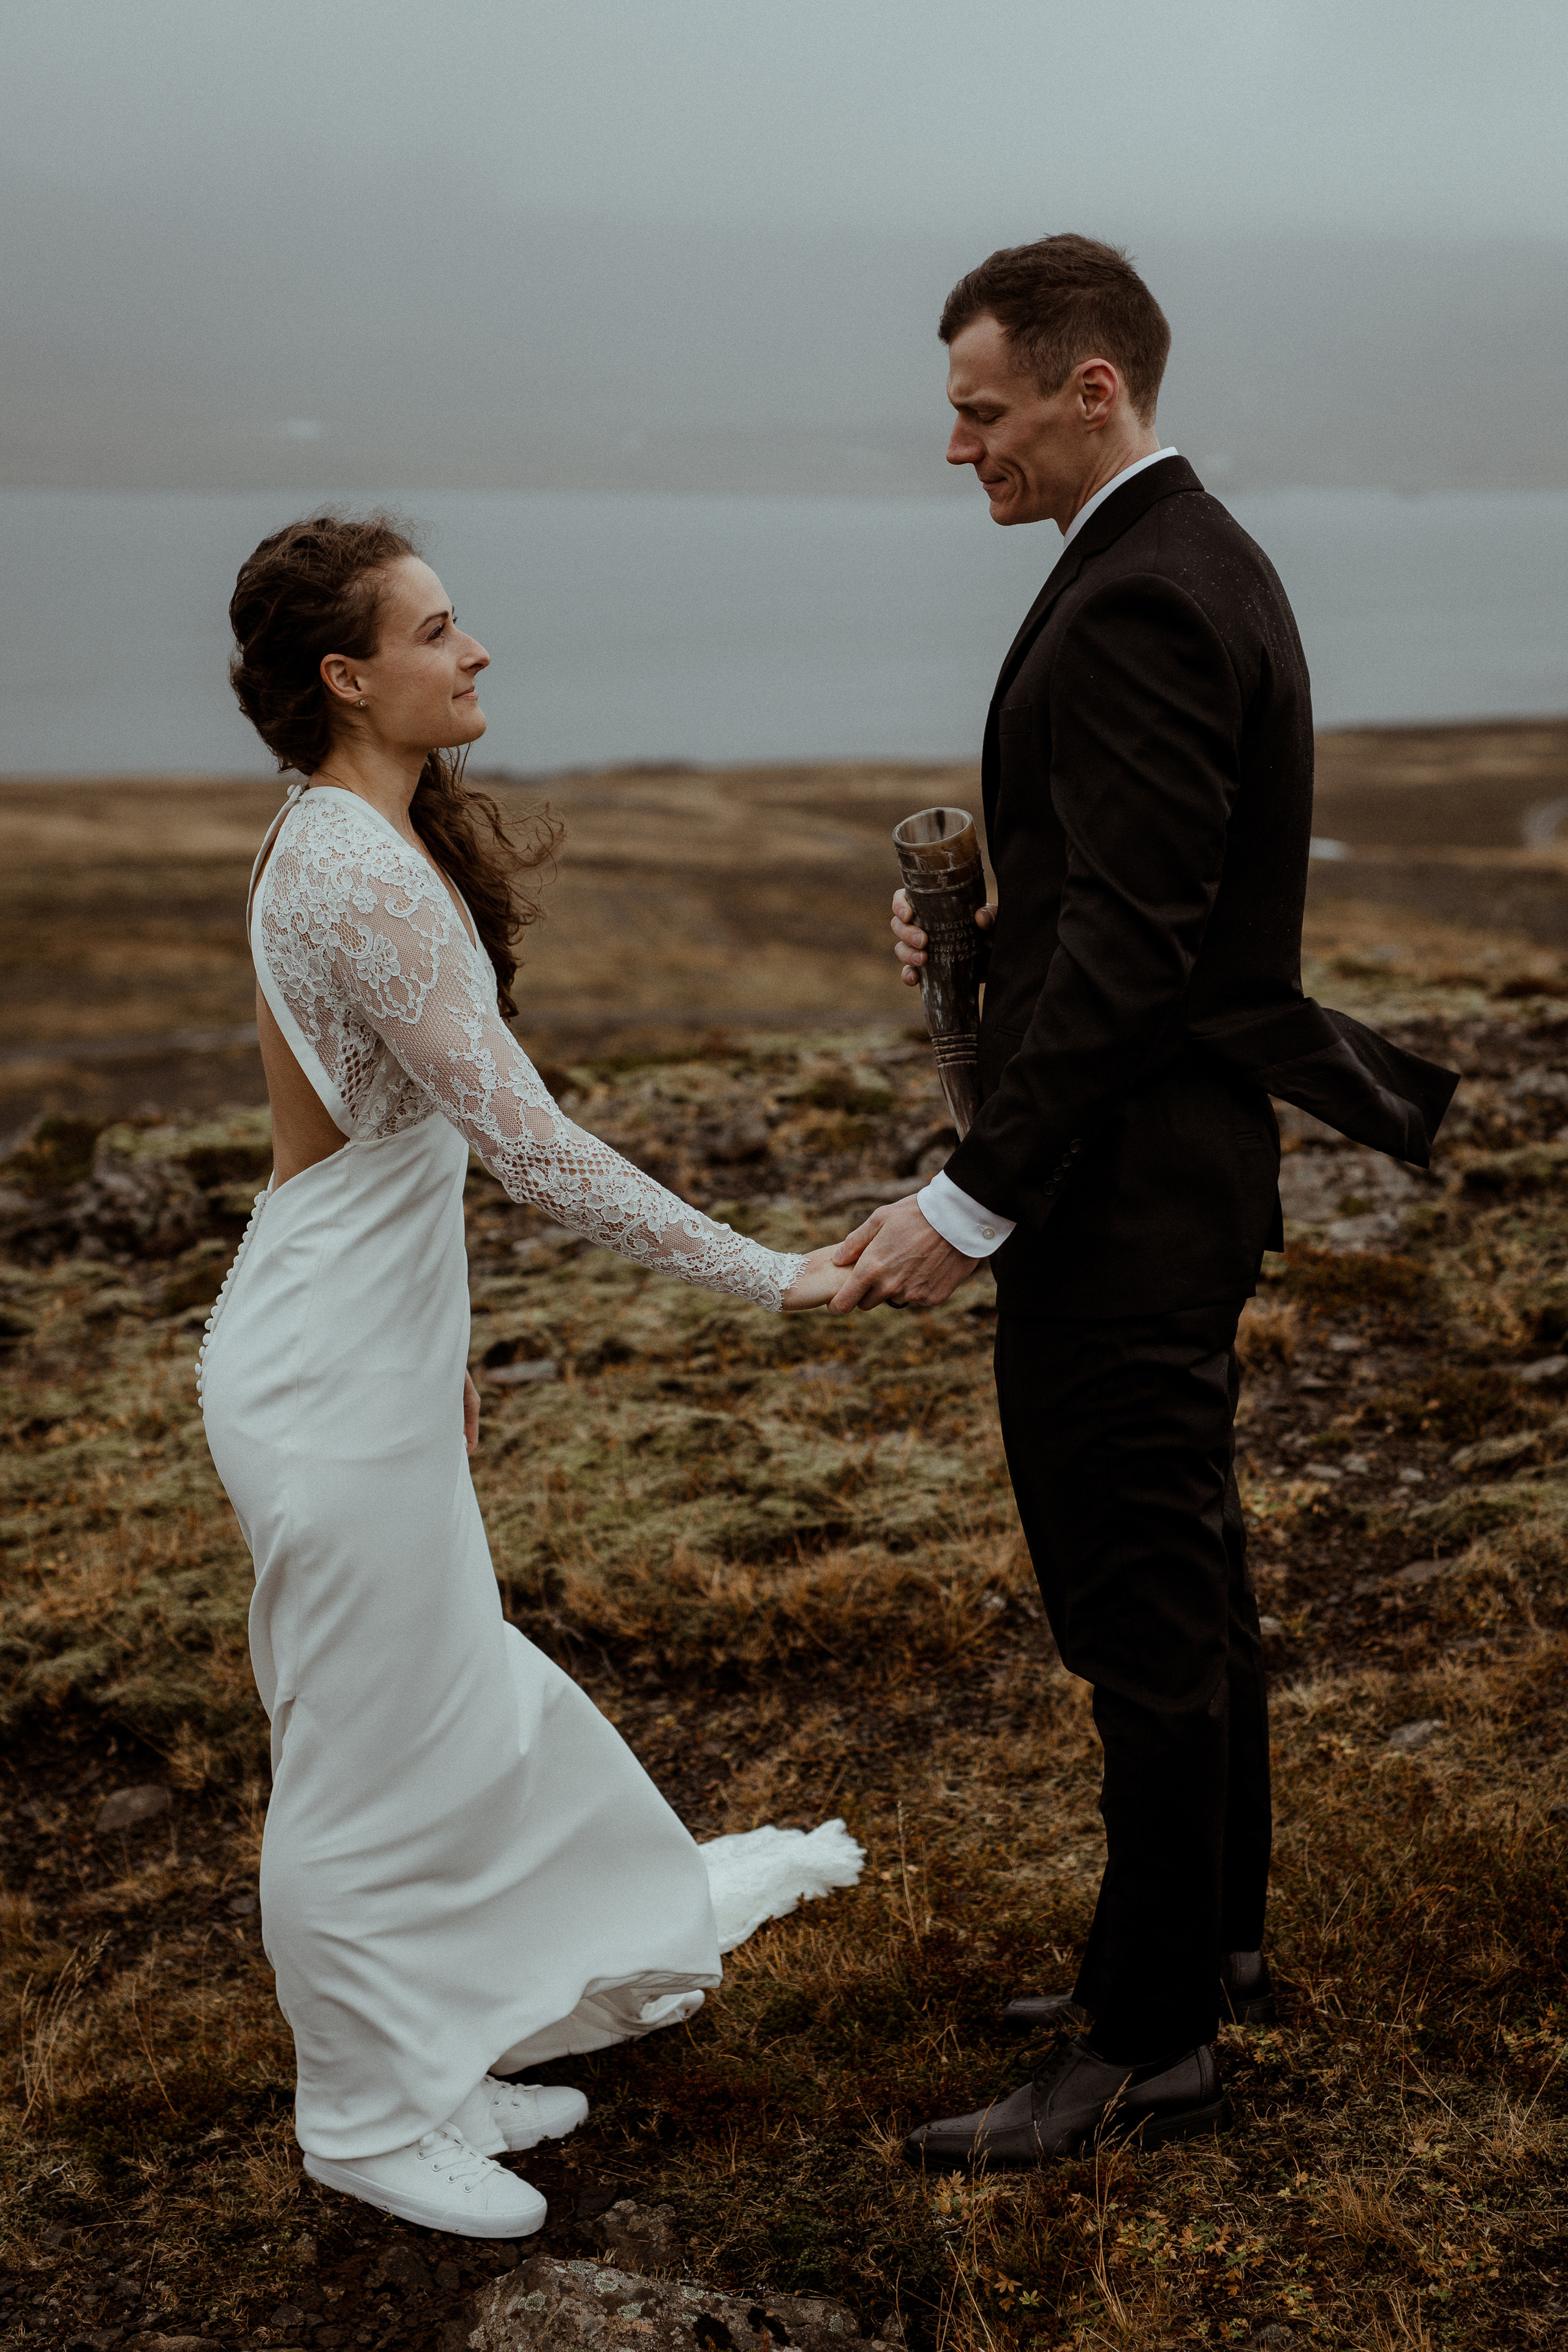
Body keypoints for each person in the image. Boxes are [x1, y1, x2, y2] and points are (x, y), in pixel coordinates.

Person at [829, 236, 1456, 2167]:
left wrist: (976, 1194)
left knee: (1143, 1612)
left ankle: (1147, 2044)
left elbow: (1145, 947)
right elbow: (1126, 901)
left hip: (1126, 1193)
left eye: (983, 407)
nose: (960, 447)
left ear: (1091, 389)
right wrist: (1003, 932)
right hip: (1168, 1173)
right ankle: (1213, 1939)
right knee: (1185, 1578)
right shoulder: (1187, 559)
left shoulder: (1144, 598)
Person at [201, 514, 855, 2239]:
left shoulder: (357, 838)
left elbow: (390, 1163)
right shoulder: (349, 865)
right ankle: (357, 2116)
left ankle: (432, 2055)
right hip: (325, 1379)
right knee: (358, 1760)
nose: (474, 649)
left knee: (433, 1735)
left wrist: (444, 1358)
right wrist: (773, 1274)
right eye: (438, 628)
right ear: (351, 677)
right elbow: (534, 1154)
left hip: (368, 1360)